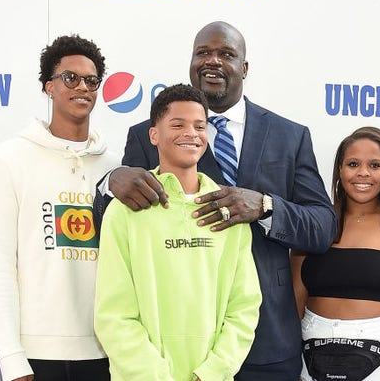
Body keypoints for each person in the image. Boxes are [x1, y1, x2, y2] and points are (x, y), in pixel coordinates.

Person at [97, 21, 336, 380]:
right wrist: (110, 180)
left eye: (226, 54)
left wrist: (265, 206)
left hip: (266, 338)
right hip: (175, 350)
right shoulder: (147, 135)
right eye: (203, 53)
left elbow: (322, 227)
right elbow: (117, 223)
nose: (213, 61)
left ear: (245, 67)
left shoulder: (289, 136)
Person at [94, 83, 262, 380]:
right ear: (153, 135)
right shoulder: (124, 211)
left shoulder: (227, 208)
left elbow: (244, 308)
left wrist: (211, 373)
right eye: (178, 124)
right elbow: (113, 316)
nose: (191, 133)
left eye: (200, 126)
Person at [0, 34, 118, 381]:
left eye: (91, 80)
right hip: (35, 354)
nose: (82, 87)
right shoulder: (10, 157)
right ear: (49, 86)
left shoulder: (115, 166)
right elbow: (0, 266)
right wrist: (11, 357)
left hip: (106, 351)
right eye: (70, 78)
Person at [291, 127, 380, 381]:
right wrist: (291, 368)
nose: (363, 173)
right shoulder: (317, 222)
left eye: (374, 165)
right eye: (353, 164)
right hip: (309, 357)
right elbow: (294, 304)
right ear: (339, 169)